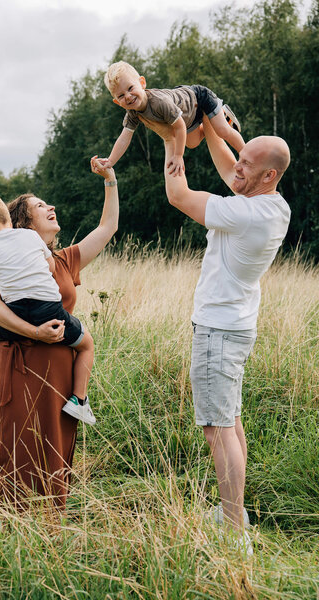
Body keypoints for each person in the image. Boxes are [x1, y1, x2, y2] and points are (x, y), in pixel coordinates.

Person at [143, 115, 290, 555]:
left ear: (269, 176)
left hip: (218, 331)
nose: (236, 168)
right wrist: (209, 121)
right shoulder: (274, 205)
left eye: (247, 164)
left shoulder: (242, 214)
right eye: (239, 157)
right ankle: (236, 514)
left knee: (217, 428)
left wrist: (174, 138)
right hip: (237, 327)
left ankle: (232, 530)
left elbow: (178, 195)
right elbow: (231, 172)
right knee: (231, 421)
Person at [0, 157, 118, 508]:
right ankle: (11, 528)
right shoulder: (10, 263)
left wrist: (110, 180)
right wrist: (34, 332)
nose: (51, 207)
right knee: (17, 455)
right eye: (41, 206)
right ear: (23, 223)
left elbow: (107, 228)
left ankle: (53, 530)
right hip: (19, 367)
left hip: (60, 374)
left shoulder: (65, 259)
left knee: (56, 452)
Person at [0, 192, 95, 425]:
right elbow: (50, 264)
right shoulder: (30, 237)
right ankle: (79, 400)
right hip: (49, 310)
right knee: (86, 344)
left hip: (15, 311)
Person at [102, 60, 244, 177]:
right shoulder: (132, 113)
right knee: (192, 143)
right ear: (117, 102)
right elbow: (124, 138)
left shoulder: (158, 102)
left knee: (222, 131)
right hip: (188, 115)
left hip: (199, 99)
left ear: (142, 83)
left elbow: (179, 127)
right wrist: (110, 161)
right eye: (121, 96)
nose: (127, 96)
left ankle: (246, 155)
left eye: (130, 88)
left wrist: (178, 156)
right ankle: (218, 116)